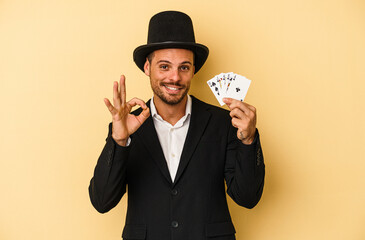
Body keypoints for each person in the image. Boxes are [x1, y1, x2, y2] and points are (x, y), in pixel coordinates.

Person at [89, 11, 265, 240]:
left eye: (184, 67)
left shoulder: (225, 124)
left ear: (193, 70)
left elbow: (248, 198)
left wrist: (248, 140)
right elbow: (102, 201)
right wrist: (119, 141)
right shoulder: (126, 127)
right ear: (146, 67)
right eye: (164, 66)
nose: (175, 77)